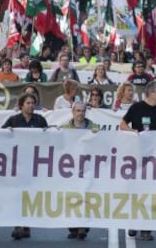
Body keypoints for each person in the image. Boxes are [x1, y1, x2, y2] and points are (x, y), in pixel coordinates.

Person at [120, 80, 156, 241]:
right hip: (137, 156)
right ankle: (133, 223)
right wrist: (132, 131)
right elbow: (122, 124)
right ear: (150, 93)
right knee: (136, 192)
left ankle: (147, 228)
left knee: (151, 192)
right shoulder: (137, 107)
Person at [2, 93, 48, 240]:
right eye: (28, 103)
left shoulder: (40, 120)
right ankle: (17, 225)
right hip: (17, 163)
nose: (31, 105)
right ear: (21, 105)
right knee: (17, 195)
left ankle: (27, 224)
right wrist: (7, 132)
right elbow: (0, 135)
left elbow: (49, 138)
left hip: (34, 163)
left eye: (33, 103)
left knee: (30, 195)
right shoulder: (14, 120)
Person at [60, 101, 98, 239]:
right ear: (73, 112)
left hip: (88, 167)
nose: (80, 113)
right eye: (78, 111)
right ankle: (73, 227)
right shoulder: (64, 128)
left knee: (85, 196)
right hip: (70, 168)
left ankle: (82, 226)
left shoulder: (94, 127)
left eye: (82, 111)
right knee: (71, 197)